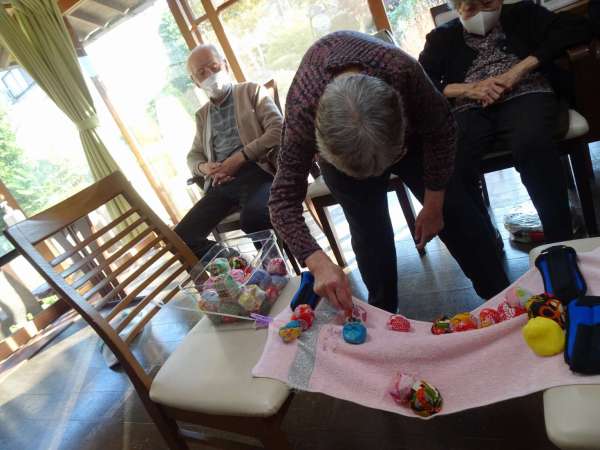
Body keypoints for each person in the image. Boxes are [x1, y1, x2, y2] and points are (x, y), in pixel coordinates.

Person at [269, 30, 510, 314]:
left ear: (402, 115)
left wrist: (434, 204)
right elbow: (282, 201)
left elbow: (442, 129)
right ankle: (382, 313)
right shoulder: (302, 113)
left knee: (456, 211)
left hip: (410, 143)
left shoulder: (402, 71)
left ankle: (502, 298)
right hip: (344, 157)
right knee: (370, 237)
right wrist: (317, 261)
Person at [419, 0, 593, 246]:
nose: (481, 13)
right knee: (454, 158)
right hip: (470, 104)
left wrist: (519, 70)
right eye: (471, 8)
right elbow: (422, 80)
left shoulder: (524, 13)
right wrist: (469, 89)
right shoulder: (441, 37)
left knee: (531, 143)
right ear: (457, 9)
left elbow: (578, 28)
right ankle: (485, 240)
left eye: (487, 3)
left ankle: (560, 241)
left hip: (527, 90)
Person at [174, 44, 283, 259]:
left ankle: (275, 269)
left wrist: (240, 157)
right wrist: (206, 168)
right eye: (202, 73)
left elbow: (279, 129)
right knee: (181, 239)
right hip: (221, 183)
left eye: (214, 67)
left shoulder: (251, 91)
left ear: (225, 65)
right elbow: (193, 156)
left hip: (258, 173)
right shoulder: (202, 115)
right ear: (195, 82)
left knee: (253, 218)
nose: (210, 75)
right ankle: (243, 268)